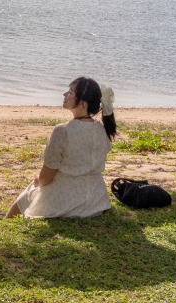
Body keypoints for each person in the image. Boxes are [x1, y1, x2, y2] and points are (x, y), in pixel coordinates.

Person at [8, 77, 116, 219]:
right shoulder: (102, 129)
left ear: (83, 103)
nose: (65, 94)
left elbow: (46, 178)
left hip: (66, 200)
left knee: (31, 190)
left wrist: (37, 181)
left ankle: (5, 221)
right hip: (96, 201)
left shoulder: (63, 131)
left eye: (70, 92)